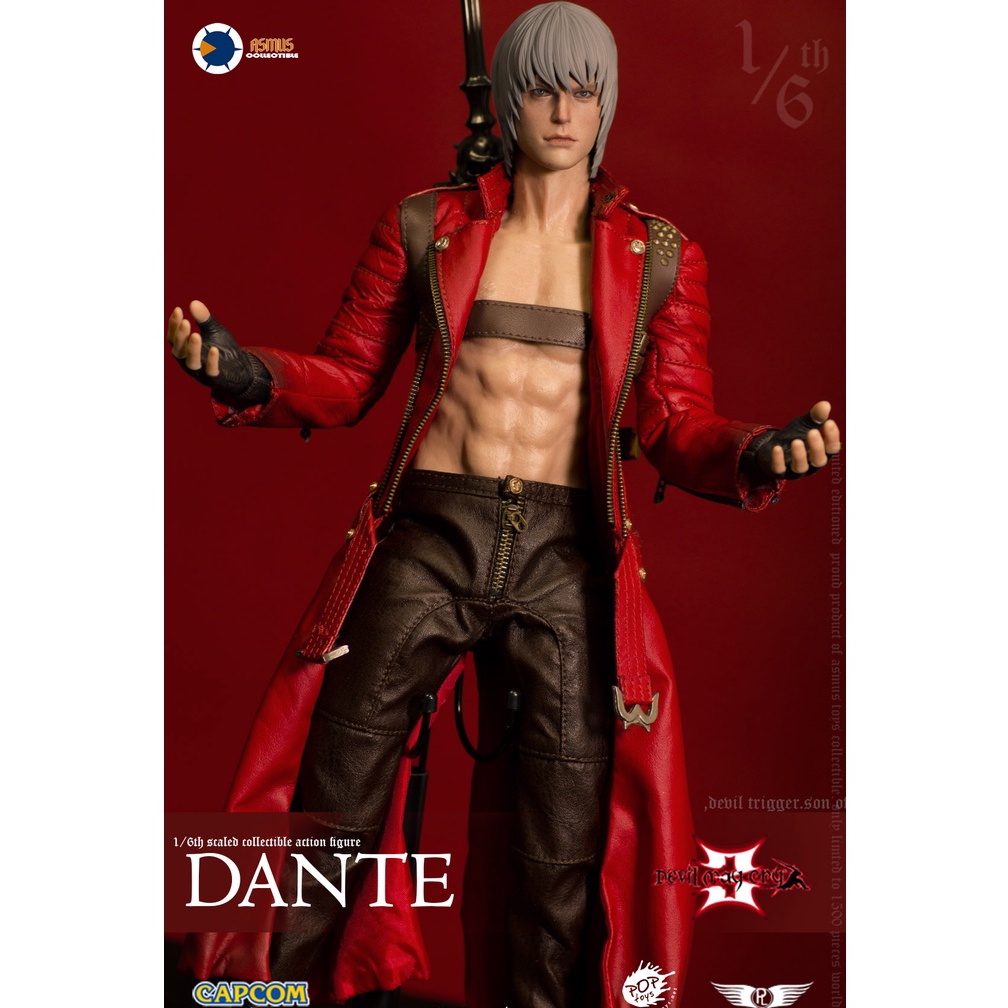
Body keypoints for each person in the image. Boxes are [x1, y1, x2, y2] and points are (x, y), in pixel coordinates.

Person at [168, 4, 840, 1006]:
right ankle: (265, 998)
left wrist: (757, 451)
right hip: (431, 537)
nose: (565, 110)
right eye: (544, 88)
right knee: (329, 802)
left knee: (561, 845)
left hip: (567, 560)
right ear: (511, 99)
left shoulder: (659, 255)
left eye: (585, 90)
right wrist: (246, 375)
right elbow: (347, 378)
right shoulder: (424, 224)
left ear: (608, 104)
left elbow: (674, 421)